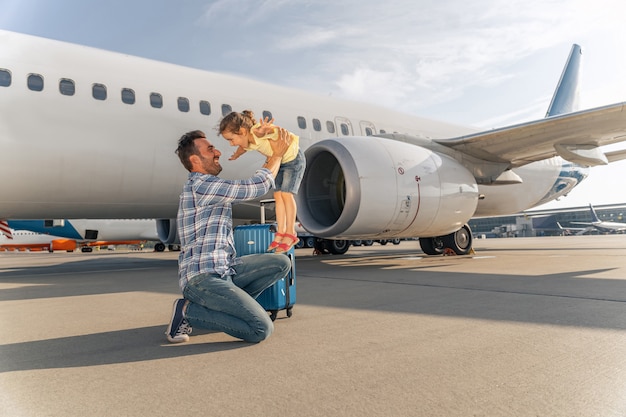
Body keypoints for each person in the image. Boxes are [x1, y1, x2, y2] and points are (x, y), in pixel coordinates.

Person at [165, 128, 292, 343]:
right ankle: (188, 311)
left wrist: (271, 156)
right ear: (195, 159)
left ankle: (232, 311)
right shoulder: (201, 185)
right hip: (203, 278)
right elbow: (255, 187)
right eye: (211, 149)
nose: (218, 153)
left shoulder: (211, 187)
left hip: (225, 270)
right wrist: (277, 155)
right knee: (261, 330)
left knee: (280, 263)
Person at [219, 110, 305, 254]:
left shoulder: (257, 132)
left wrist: (266, 130)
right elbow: (243, 148)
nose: (231, 144)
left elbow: (277, 131)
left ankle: (291, 233)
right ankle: (281, 232)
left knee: (286, 195)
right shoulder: (248, 142)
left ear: (242, 131)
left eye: (231, 139)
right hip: (280, 162)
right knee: (277, 196)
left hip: (293, 159)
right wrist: (236, 155)